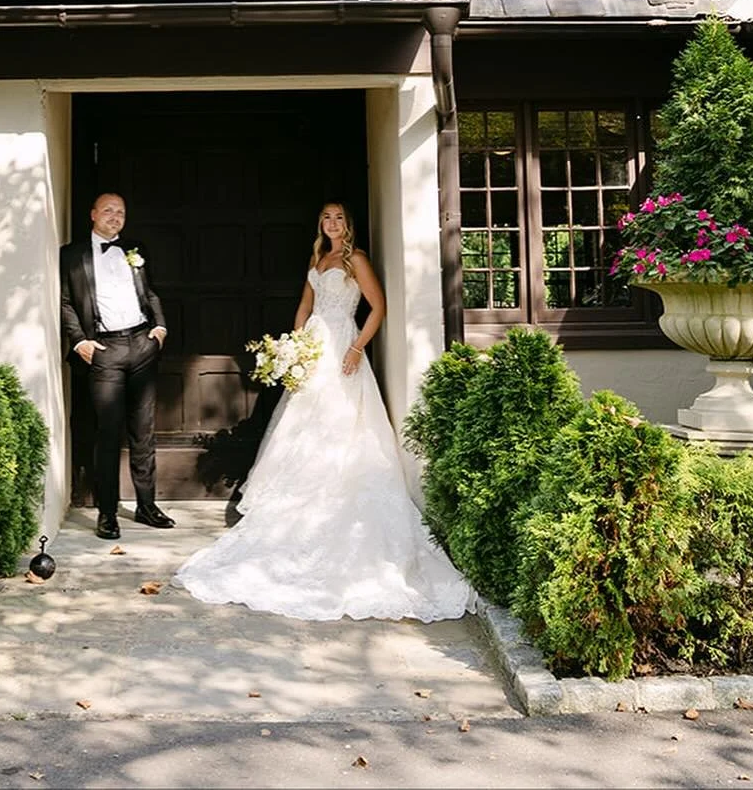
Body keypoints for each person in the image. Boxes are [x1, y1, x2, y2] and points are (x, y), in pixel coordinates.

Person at [174, 202, 473, 621]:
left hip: (342, 344)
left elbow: (378, 307)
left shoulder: (356, 261)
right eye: (326, 219)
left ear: (348, 225)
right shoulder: (318, 258)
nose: (331, 224)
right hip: (314, 346)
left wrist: (355, 348)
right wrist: (293, 346)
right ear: (321, 225)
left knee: (340, 423)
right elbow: (305, 305)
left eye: (338, 218)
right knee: (301, 424)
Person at [60, 191, 175, 539]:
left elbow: (150, 291)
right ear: (93, 214)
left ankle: (146, 505)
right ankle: (107, 513)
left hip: (142, 343)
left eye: (120, 212)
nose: (115, 216)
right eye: (108, 210)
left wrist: (160, 326)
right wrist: (79, 341)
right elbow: (65, 301)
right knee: (107, 433)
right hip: (103, 350)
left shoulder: (134, 250)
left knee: (144, 430)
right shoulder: (71, 255)